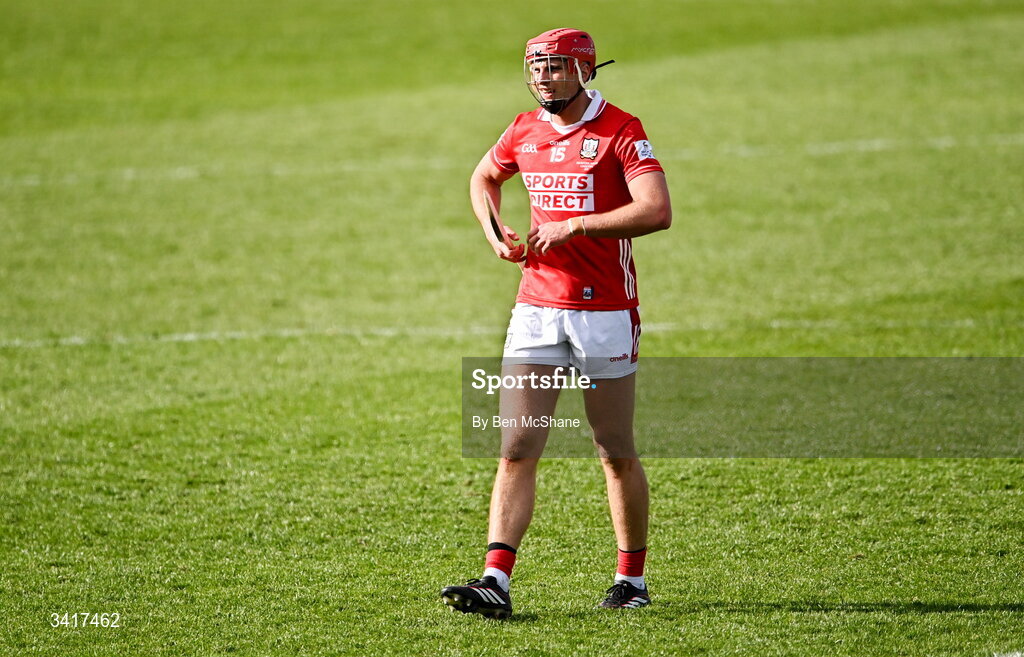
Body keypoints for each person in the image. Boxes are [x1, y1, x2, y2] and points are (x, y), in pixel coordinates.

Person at [441, 28, 671, 619]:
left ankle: (631, 580)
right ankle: (496, 579)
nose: (543, 77)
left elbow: (656, 209)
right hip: (536, 310)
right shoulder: (524, 129)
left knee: (612, 448)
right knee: (516, 446)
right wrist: (496, 234)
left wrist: (575, 225)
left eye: (556, 67)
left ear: (584, 70)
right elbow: (483, 177)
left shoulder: (621, 130)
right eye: (535, 67)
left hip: (605, 314)